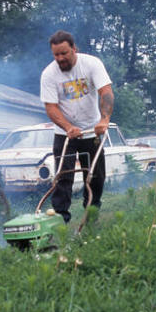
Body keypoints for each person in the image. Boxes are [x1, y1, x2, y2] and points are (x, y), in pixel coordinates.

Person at [40, 30, 114, 223]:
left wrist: (104, 120)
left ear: (74, 49)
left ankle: (91, 214)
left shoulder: (91, 64)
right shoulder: (49, 74)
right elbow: (51, 106)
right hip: (65, 134)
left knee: (96, 177)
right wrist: (68, 127)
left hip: (92, 131)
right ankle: (60, 219)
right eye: (56, 54)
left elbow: (105, 92)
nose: (60, 58)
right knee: (63, 178)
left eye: (64, 53)